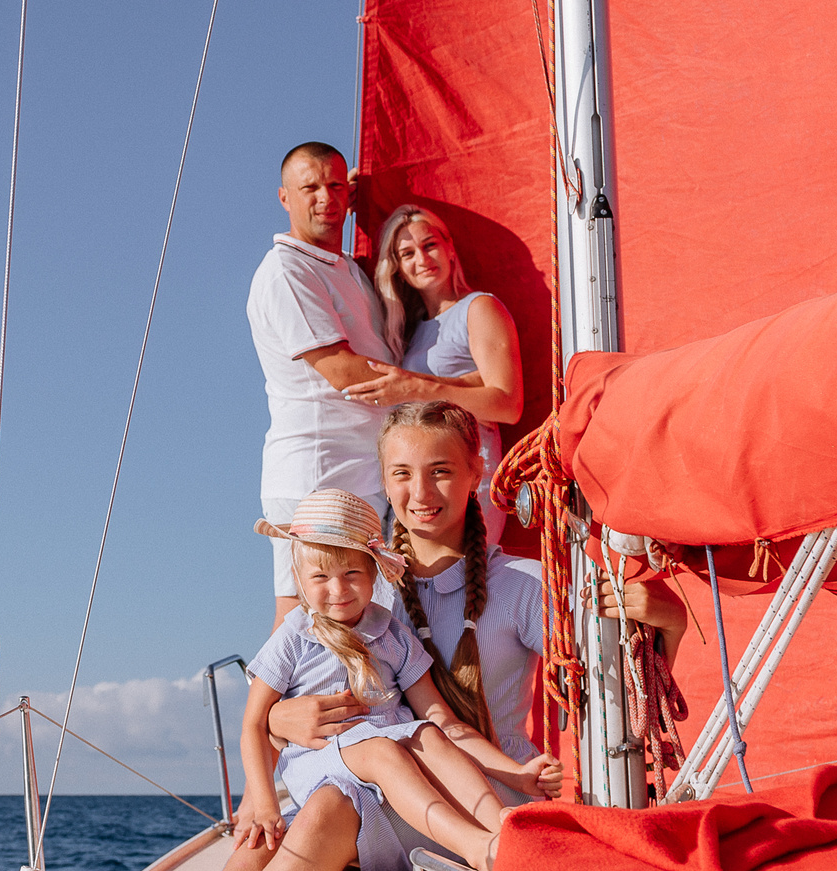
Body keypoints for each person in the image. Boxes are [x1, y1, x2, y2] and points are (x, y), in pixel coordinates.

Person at [27, 485, 557, 871]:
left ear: (374, 572)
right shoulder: (296, 635)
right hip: (337, 775)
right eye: (321, 577)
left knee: (401, 748)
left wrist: (514, 772)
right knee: (271, 840)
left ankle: (494, 837)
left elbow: (440, 723)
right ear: (300, 578)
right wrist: (259, 799)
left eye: (352, 574)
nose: (338, 590)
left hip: (387, 792)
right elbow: (255, 723)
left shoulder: (392, 632)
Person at [272, 399, 682, 786]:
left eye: (440, 471)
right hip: (391, 804)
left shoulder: (524, 585)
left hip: (504, 790)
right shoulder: (350, 588)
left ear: (476, 472)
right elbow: (288, 684)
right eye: (402, 474)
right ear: (383, 480)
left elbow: (625, 697)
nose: (421, 493)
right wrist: (276, 722)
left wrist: (672, 622)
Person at [249, 144, 398, 629]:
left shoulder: (348, 269)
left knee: (361, 623)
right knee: (301, 617)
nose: (325, 199)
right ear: (284, 198)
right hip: (314, 473)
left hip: (363, 472)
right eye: (309, 187)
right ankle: (270, 689)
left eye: (335, 187)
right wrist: (450, 395)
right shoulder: (287, 270)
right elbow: (343, 372)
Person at [340, 204, 523, 542]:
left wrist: (415, 389)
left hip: (465, 481)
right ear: (398, 269)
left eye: (430, 245)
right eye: (407, 253)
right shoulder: (409, 331)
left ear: (449, 248)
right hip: (415, 488)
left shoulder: (479, 308)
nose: (422, 259)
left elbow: (508, 404)